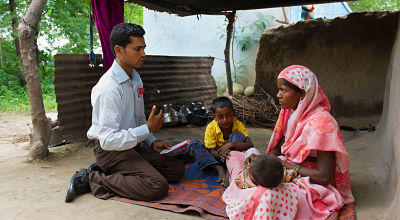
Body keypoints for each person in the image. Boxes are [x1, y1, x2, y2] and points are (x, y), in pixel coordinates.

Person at [65, 23, 185, 203]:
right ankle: (92, 178)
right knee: (156, 186)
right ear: (119, 50)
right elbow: (106, 140)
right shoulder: (109, 88)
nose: (143, 54)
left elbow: (138, 118)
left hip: (131, 146)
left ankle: (118, 172)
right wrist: (147, 129)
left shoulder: (136, 79)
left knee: (176, 169)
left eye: (144, 48)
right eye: (137, 49)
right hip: (110, 151)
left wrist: (151, 142)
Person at [223, 65, 354, 220]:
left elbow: (324, 177)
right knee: (236, 157)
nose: (278, 95)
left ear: (302, 94)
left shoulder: (322, 125)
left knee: (265, 194)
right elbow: (279, 149)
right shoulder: (291, 113)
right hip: (285, 167)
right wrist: (264, 160)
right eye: (279, 90)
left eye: (283, 90)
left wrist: (291, 167)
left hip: (308, 181)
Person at [187, 96, 256, 186]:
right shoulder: (211, 128)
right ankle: (218, 168)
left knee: (238, 135)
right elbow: (211, 151)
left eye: (228, 115)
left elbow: (249, 144)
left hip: (232, 157)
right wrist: (221, 155)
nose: (225, 120)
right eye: (220, 117)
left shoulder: (237, 124)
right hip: (214, 159)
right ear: (214, 116)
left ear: (233, 113)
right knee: (193, 143)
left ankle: (229, 169)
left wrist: (231, 145)